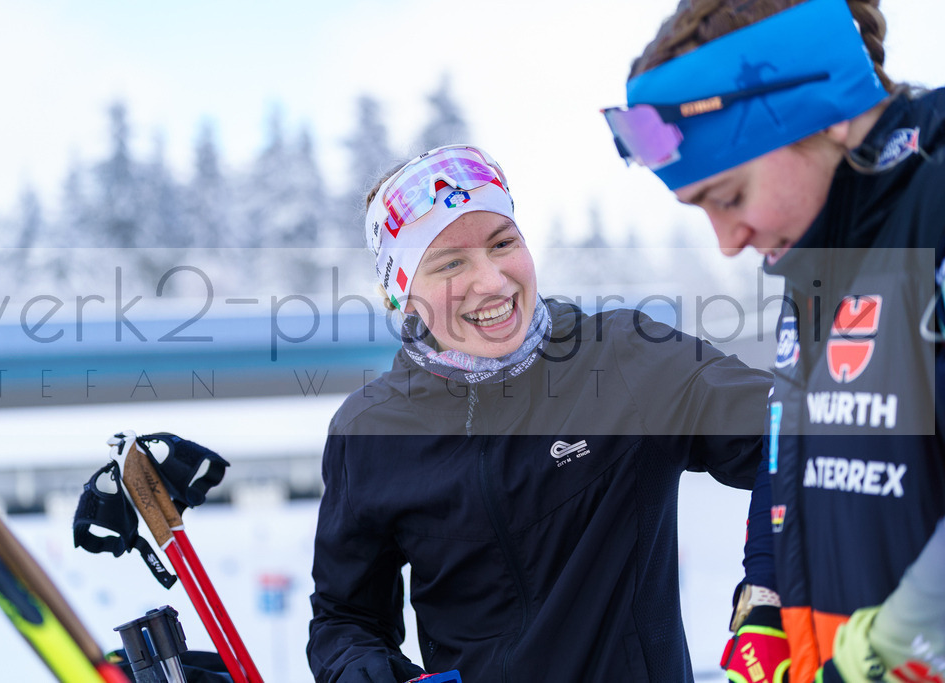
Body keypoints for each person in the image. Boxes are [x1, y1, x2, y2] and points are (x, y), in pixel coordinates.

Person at [306, 143, 775, 682]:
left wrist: (772, 583)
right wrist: (366, 671)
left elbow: (800, 441)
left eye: (502, 243)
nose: (492, 280)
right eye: (450, 263)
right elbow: (346, 618)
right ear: (403, 296)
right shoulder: (368, 431)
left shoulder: (626, 354)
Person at [604, 1, 945, 682]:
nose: (727, 241)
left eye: (728, 196)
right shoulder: (820, 241)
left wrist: (897, 647)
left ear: (823, 111)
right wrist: (766, 597)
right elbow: (797, 444)